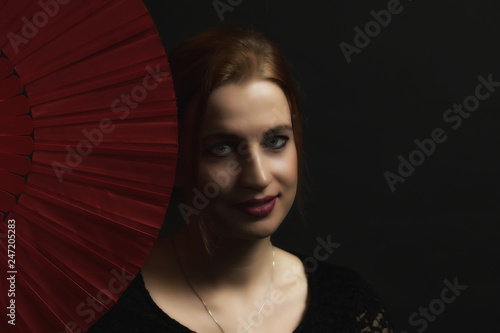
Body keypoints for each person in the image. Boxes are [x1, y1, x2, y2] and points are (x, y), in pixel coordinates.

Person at [87, 27, 394, 333]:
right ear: (175, 159)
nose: (258, 177)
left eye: (275, 141)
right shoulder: (102, 306)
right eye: (221, 148)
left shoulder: (349, 305)